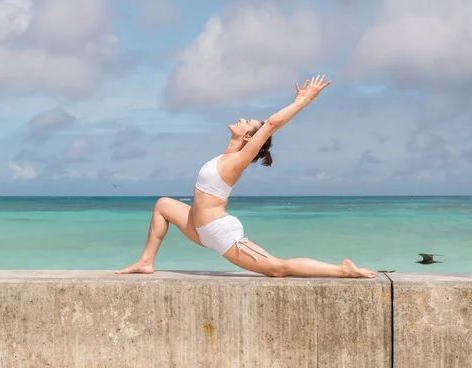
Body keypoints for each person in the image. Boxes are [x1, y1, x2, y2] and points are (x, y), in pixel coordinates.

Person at [116, 75, 376, 278]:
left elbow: (271, 124)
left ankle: (343, 270)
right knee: (163, 204)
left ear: (249, 138)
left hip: (219, 232)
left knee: (277, 269)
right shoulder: (224, 157)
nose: (241, 118)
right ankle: (146, 261)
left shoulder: (237, 160)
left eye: (247, 121)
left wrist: (303, 100)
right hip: (198, 227)